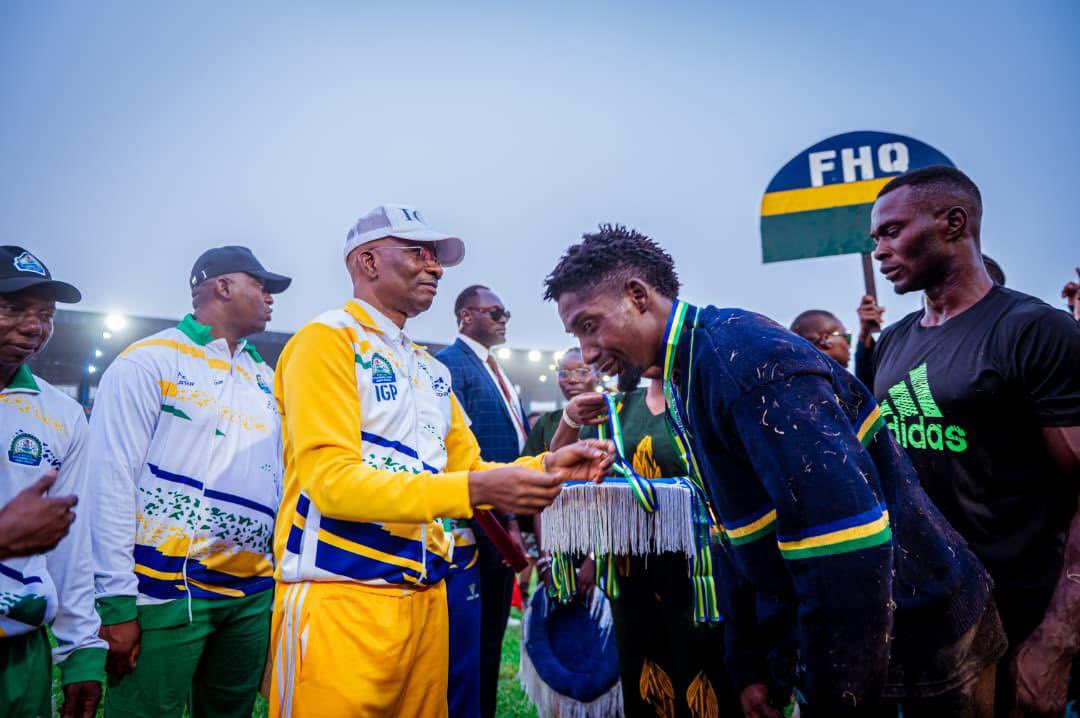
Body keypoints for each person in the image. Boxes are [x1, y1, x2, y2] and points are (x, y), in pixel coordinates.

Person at [544, 223, 1001, 717]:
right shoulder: (690, 368)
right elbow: (740, 531)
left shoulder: (743, 361)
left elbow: (843, 546)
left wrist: (833, 699)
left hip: (916, 636)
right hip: (862, 637)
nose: (587, 353)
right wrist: (756, 664)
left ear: (638, 296)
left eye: (589, 325)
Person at [269, 204, 612, 718]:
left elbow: (467, 468)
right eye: (418, 252)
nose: (435, 267)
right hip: (341, 596)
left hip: (429, 595)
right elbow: (332, 484)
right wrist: (475, 491)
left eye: (435, 257)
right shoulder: (326, 341)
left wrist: (547, 467)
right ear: (367, 261)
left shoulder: (429, 369)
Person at [870, 166, 1080, 716]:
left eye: (892, 231)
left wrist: (1058, 639)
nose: (880, 250)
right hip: (929, 625)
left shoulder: (1034, 330)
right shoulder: (892, 343)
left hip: (1018, 623)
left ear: (954, 223)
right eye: (876, 238)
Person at [89, 246, 291, 717]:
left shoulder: (266, 379)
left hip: (250, 597)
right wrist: (116, 602)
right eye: (261, 286)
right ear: (223, 286)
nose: (270, 298)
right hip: (164, 592)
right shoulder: (149, 362)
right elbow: (109, 483)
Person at [551, 374, 743, 717]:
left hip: (701, 574)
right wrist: (570, 419)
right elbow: (558, 465)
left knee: (707, 670)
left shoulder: (703, 395)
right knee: (643, 674)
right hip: (631, 573)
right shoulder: (618, 406)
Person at [0, 246, 105, 717]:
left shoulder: (61, 414)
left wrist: (80, 647)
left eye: (46, 315)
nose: (33, 327)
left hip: (20, 648)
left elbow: (71, 543)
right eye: (13, 308)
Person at [436, 284, 531, 718]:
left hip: (505, 516)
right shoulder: (450, 364)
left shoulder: (495, 368)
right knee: (474, 640)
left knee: (491, 636)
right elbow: (458, 451)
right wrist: (500, 520)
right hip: (481, 520)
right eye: (495, 312)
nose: (503, 318)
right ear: (465, 316)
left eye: (505, 311)